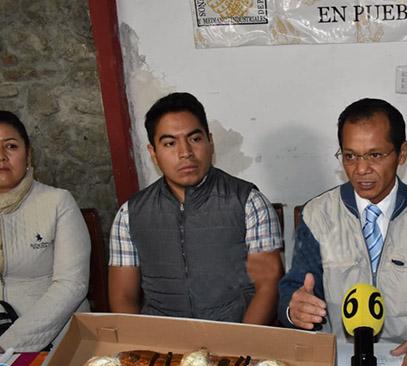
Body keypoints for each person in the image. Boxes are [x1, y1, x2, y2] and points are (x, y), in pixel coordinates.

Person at [278, 98, 407, 366]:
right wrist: (293, 310)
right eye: (350, 156)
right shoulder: (318, 214)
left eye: (375, 155)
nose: (361, 169)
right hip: (338, 363)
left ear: (402, 153)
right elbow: (296, 290)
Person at [108, 92, 283, 324]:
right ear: (153, 153)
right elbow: (123, 297)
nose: (185, 153)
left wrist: (241, 348)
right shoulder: (130, 214)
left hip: (239, 338)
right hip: (164, 346)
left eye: (195, 139)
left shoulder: (248, 202)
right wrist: (144, 350)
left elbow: (268, 285)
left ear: (210, 141)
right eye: (170, 143)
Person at [0, 111, 90, 352]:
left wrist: (7, 345)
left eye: (10, 146)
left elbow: (72, 284)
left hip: (54, 339)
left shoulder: (58, 202)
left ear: (28, 154)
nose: (1, 156)